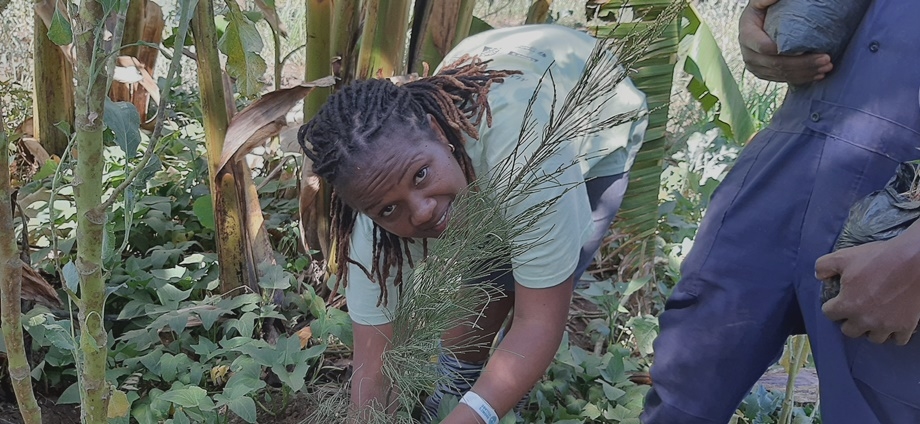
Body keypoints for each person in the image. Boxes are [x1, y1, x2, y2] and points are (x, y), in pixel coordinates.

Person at [297, 25, 647, 423]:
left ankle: (470, 402)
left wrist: (473, 416)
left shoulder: (526, 155)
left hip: (595, 112)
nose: (423, 212)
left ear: (435, 130)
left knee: (524, 284)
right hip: (497, 81)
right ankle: (449, 394)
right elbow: (373, 369)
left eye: (421, 176)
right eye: (389, 210)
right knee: (484, 284)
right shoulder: (373, 229)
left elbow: (538, 324)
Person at [642, 0, 920, 423]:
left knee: (881, 403)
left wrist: (914, 256)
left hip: (902, 207)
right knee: (685, 383)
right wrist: (765, 24)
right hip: (791, 149)